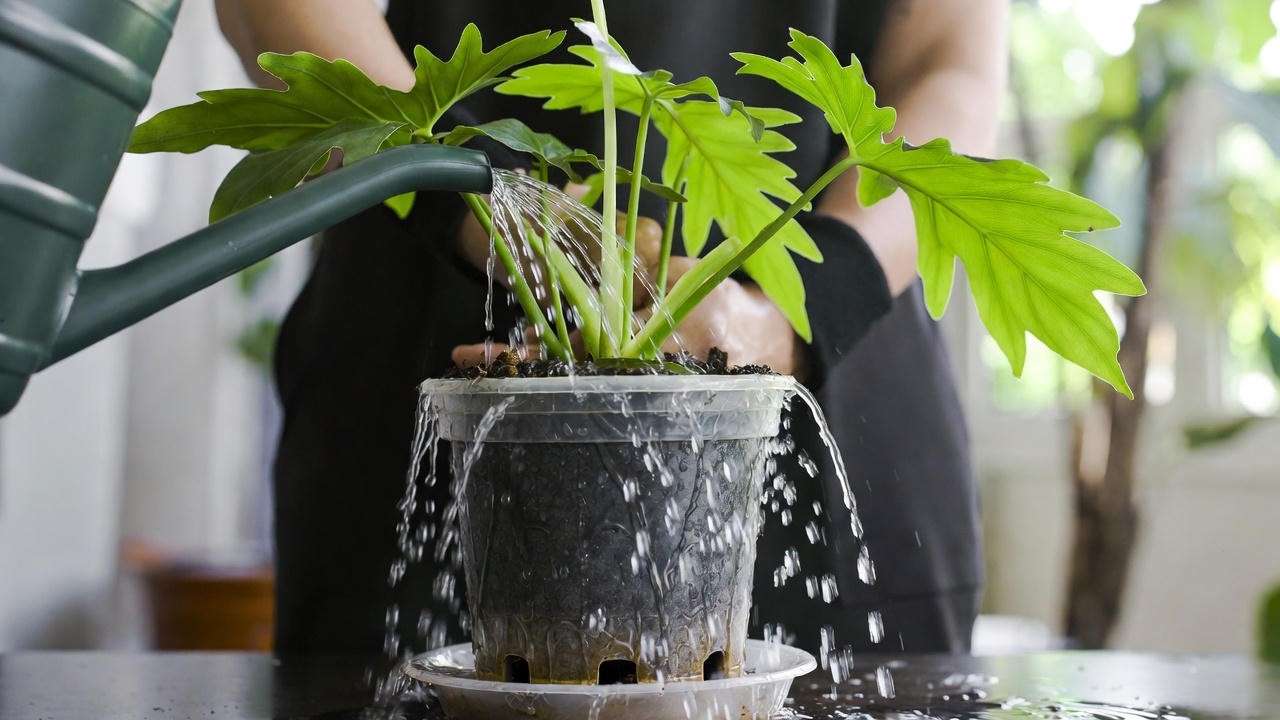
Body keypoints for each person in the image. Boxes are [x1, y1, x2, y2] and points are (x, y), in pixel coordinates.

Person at [215, 0, 1007, 655]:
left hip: (830, 408)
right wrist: (494, 211)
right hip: (422, 415)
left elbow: (951, 61)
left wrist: (797, 311)